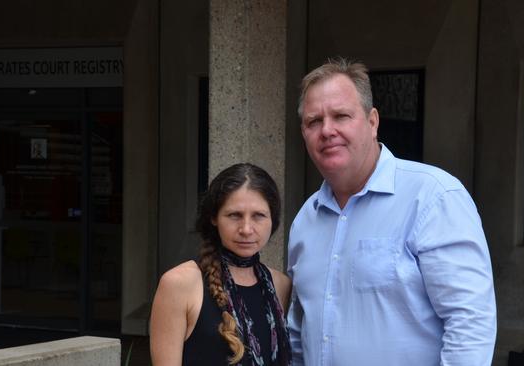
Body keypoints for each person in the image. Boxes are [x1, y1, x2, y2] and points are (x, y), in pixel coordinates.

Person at [287, 58, 497, 365]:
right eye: (313, 121)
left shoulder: (432, 197)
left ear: (372, 122)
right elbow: (299, 329)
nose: (327, 130)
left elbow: (470, 323)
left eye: (341, 116)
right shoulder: (306, 219)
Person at [150, 163, 292, 366]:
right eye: (234, 215)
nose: (246, 229)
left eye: (258, 216)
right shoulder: (179, 284)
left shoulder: (280, 284)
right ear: (214, 218)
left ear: (273, 220)